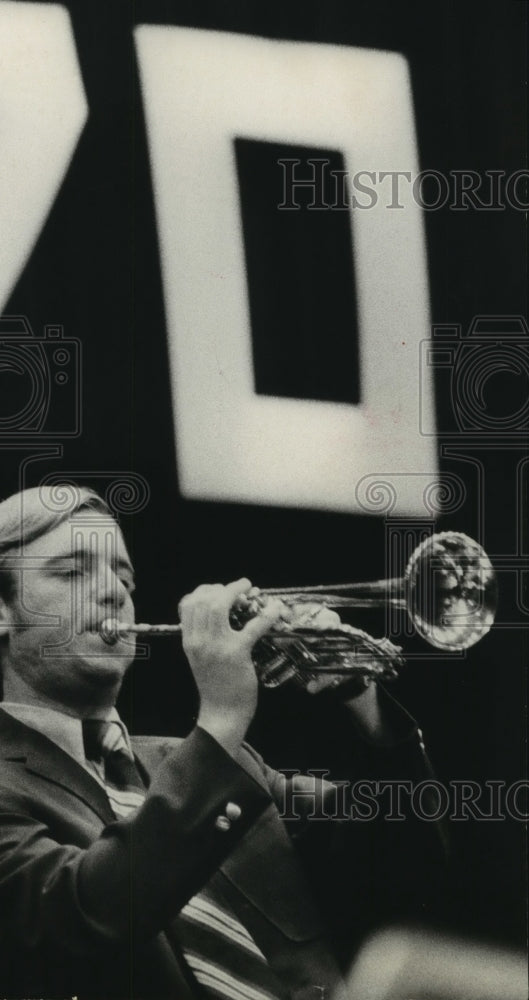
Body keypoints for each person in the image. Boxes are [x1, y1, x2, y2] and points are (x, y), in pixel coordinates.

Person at [0, 485, 444, 1000]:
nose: (112, 592)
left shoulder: (221, 764)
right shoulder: (211, 758)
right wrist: (222, 719)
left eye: (124, 576)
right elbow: (87, 915)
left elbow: (410, 863)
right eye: (73, 571)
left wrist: (360, 700)